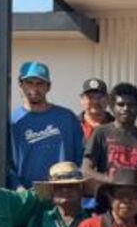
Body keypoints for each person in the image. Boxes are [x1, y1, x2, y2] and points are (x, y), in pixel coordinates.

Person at [8, 61, 83, 189]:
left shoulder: (67, 118)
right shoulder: (13, 121)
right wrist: (19, 189)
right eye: (29, 83)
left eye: (40, 83)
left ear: (48, 86)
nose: (34, 88)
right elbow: (6, 164)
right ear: (21, 85)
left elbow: (81, 156)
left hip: (63, 192)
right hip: (26, 196)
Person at [82, 82, 137, 184]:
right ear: (112, 107)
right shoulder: (101, 133)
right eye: (120, 104)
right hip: (109, 195)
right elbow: (86, 170)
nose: (125, 109)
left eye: (131, 105)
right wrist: (111, 180)